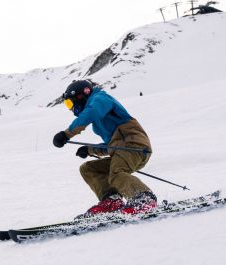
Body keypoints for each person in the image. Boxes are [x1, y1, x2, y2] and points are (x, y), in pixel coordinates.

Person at [53, 80, 157, 217]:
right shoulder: (99, 120)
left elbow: (92, 112)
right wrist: (89, 150)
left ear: (80, 96)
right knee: (88, 169)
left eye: (70, 103)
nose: (71, 108)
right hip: (124, 150)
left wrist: (67, 134)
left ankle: (145, 199)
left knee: (116, 174)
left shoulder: (100, 99)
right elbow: (112, 146)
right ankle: (112, 201)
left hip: (134, 147)